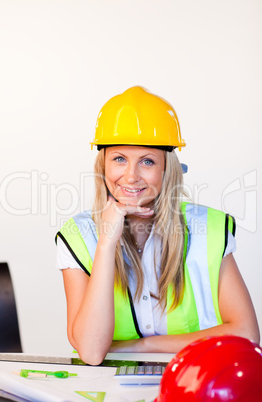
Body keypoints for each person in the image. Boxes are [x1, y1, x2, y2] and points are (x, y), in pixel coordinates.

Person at [56, 86, 260, 365]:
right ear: (103, 165)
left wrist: (141, 347)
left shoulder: (207, 228)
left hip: (195, 383)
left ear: (167, 169)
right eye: (119, 159)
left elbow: (246, 336)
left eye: (147, 161)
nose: (131, 176)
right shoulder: (77, 235)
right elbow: (91, 352)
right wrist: (106, 242)